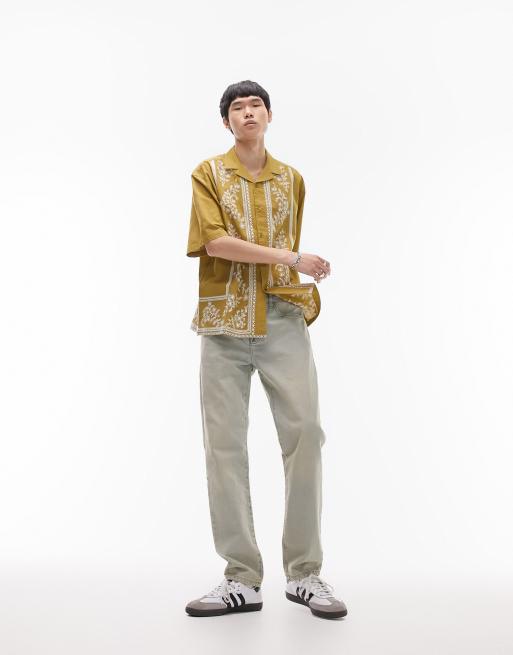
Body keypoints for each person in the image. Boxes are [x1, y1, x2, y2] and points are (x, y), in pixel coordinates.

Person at [184, 80, 347, 620]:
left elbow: (280, 242)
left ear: (269, 115)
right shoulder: (208, 174)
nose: (247, 112)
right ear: (226, 121)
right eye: (237, 107)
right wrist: (293, 258)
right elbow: (215, 243)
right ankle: (241, 577)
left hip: (282, 318)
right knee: (224, 447)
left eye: (255, 105)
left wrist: (289, 268)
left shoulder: (292, 179)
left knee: (306, 434)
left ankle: (304, 574)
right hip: (224, 325)